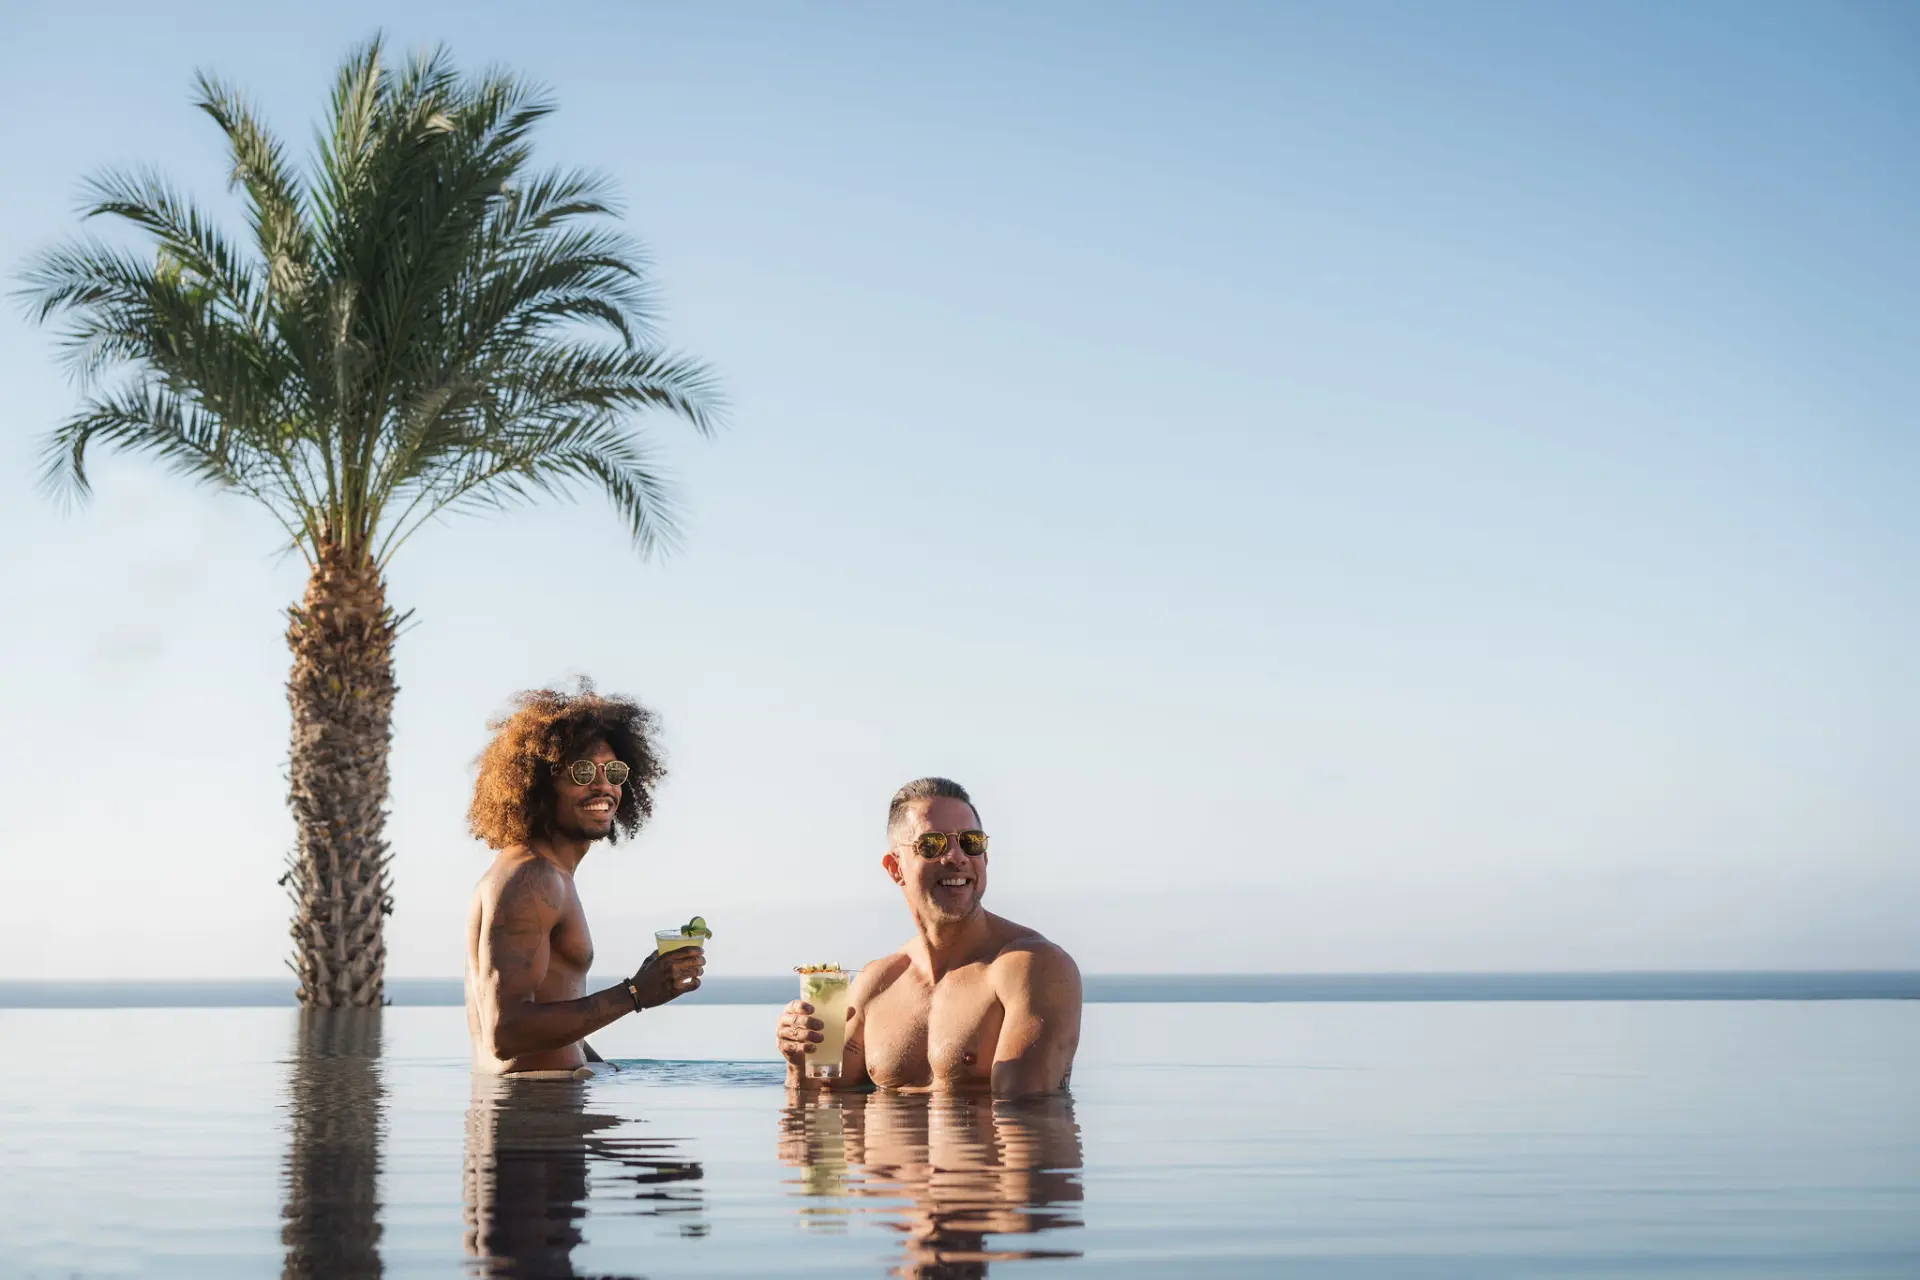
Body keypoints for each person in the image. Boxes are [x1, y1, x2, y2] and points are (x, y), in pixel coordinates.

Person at [775, 777, 1082, 1096]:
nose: (956, 857)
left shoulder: (1031, 968)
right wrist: (797, 1064)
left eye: (970, 842)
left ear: (985, 858)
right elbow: (817, 1117)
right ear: (895, 868)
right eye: (932, 844)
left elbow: (1028, 1122)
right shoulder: (878, 983)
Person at [463, 685, 704, 1076]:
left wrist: (604, 1070)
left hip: (549, 1113)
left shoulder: (547, 874)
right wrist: (635, 993)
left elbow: (548, 1016)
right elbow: (506, 1033)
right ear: (539, 783)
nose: (603, 786)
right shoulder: (531, 878)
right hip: (536, 1122)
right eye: (582, 771)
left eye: (613, 772)